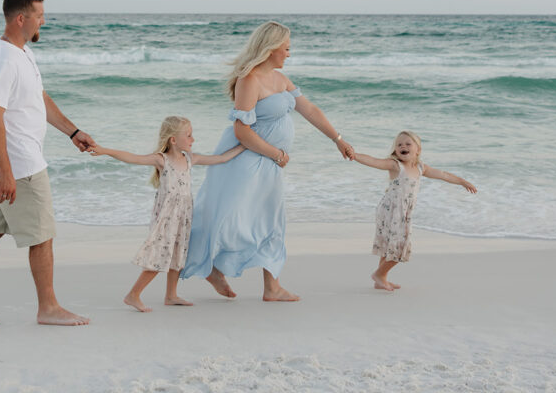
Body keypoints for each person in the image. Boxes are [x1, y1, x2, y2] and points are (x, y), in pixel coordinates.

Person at [0, 0, 97, 326]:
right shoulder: (3, 60)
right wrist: (7, 172)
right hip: (21, 167)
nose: (44, 20)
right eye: (40, 15)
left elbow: (38, 99)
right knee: (41, 236)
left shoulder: (23, 53)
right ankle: (49, 308)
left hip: (13, 166)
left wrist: (73, 132)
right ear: (21, 18)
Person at [181, 20, 354, 301]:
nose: (289, 54)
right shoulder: (249, 80)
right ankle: (211, 267)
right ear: (271, 48)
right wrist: (277, 154)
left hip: (270, 163)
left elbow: (309, 109)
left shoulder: (281, 79)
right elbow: (241, 131)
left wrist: (337, 139)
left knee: (272, 220)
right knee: (230, 218)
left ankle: (271, 287)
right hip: (248, 160)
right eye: (286, 48)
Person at [89, 117, 244, 312]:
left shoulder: (190, 159)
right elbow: (131, 157)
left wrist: (244, 147)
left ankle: (171, 295)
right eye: (188, 135)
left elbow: (220, 159)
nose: (192, 139)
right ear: (173, 140)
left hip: (183, 216)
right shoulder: (161, 160)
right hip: (166, 218)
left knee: (178, 255)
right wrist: (104, 150)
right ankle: (133, 295)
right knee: (159, 257)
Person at [351, 130, 477, 291]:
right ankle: (379, 275)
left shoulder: (420, 167)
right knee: (399, 247)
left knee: (391, 245)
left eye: (408, 144)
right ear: (395, 150)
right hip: (391, 211)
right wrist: (354, 155)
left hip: (403, 213)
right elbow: (374, 161)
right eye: (399, 144)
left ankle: (381, 279)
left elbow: (443, 175)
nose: (403, 146)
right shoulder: (395, 165)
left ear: (418, 149)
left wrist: (462, 182)